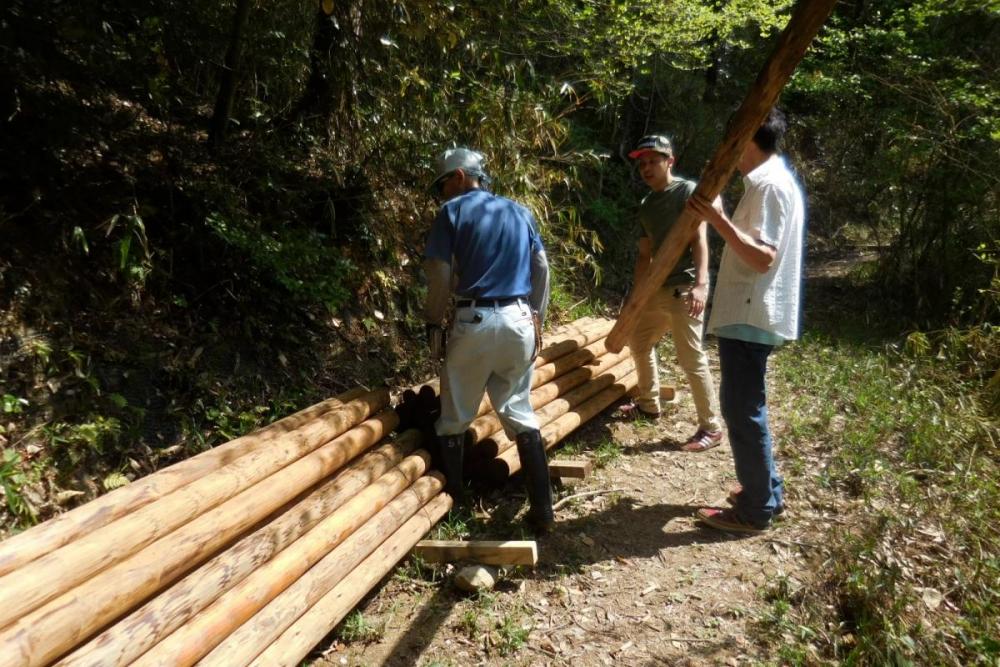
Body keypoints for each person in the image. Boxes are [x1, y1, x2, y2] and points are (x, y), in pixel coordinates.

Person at [422, 147, 554, 532]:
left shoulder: (452, 212)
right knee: (519, 411)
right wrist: (537, 317)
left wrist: (433, 320)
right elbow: (542, 267)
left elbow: (440, 275)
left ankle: (458, 508)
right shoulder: (520, 211)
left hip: (474, 319)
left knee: (454, 418)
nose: (442, 192)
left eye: (443, 183)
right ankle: (543, 511)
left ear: (460, 177)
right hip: (518, 318)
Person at [686, 108, 805, 532]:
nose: (727, 149)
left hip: (753, 312)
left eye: (732, 139)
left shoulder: (770, 187)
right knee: (746, 406)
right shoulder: (766, 183)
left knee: (741, 409)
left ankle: (755, 510)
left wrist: (716, 217)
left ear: (747, 140)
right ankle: (766, 492)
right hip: (750, 312)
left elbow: (761, 257)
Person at [620, 134, 724, 452]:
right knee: (639, 342)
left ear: (670, 161)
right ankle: (649, 404)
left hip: (684, 288)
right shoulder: (647, 205)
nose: (647, 168)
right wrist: (637, 297)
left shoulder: (687, 192)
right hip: (655, 290)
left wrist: (701, 285)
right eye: (642, 163)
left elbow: (699, 240)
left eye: (654, 161)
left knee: (691, 358)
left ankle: (711, 427)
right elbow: (644, 254)